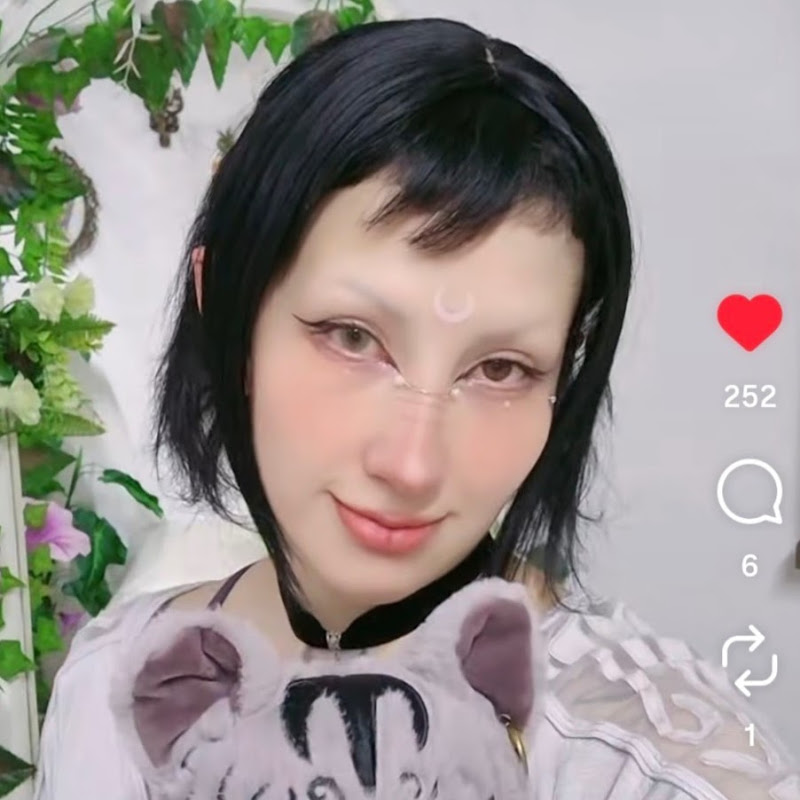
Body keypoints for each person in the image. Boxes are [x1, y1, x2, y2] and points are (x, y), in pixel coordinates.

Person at [33, 16, 798, 800]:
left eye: (500, 368)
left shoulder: (642, 765)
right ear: (223, 306)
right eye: (352, 337)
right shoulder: (116, 695)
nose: (412, 465)